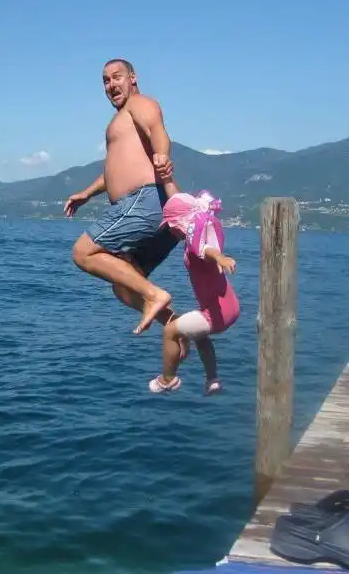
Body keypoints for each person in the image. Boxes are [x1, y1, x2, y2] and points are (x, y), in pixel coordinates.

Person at [64, 58, 182, 335]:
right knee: (124, 286)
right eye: (105, 81)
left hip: (145, 201)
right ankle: (177, 326)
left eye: (117, 77)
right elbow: (115, 172)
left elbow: (156, 129)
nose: (111, 85)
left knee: (83, 252)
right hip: (156, 212)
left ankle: (155, 295)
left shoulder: (138, 104)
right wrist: (87, 194)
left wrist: (162, 154)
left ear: (133, 77)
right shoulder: (121, 122)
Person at [148, 190, 240, 395]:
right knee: (199, 336)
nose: (171, 231)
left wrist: (220, 258)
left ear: (181, 223)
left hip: (218, 312)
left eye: (171, 226)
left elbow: (207, 250)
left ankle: (167, 379)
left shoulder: (195, 245)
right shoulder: (195, 239)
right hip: (229, 306)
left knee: (170, 331)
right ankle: (212, 379)